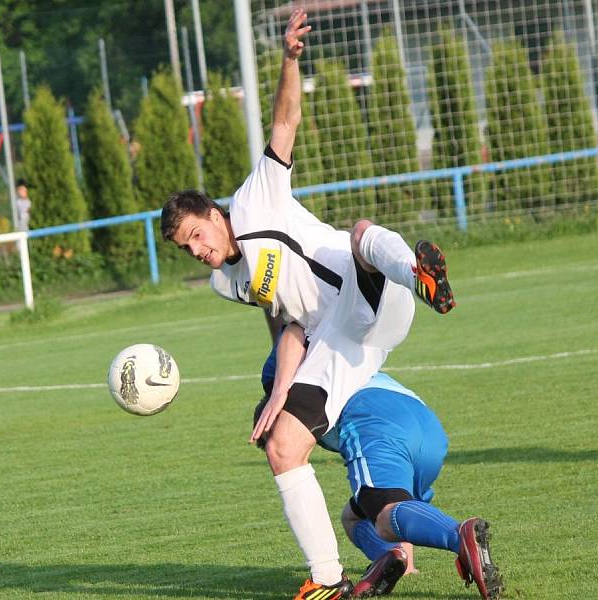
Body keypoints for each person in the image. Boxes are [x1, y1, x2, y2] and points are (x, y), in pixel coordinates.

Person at [161, 8, 454, 599]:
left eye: (198, 234)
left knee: (361, 232)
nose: (197, 249)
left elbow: (285, 119)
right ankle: (328, 581)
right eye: (184, 247)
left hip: (374, 295)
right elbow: (288, 322)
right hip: (342, 340)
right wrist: (279, 392)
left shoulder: (256, 198)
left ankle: (419, 271)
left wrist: (291, 60)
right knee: (282, 444)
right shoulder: (228, 282)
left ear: (216, 215)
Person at [256, 327, 503, 599]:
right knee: (357, 515)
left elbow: (294, 329)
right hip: (424, 421)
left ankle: (459, 535)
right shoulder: (329, 360)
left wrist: (279, 392)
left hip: (371, 417)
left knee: (386, 516)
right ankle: (395, 560)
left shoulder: (297, 403)